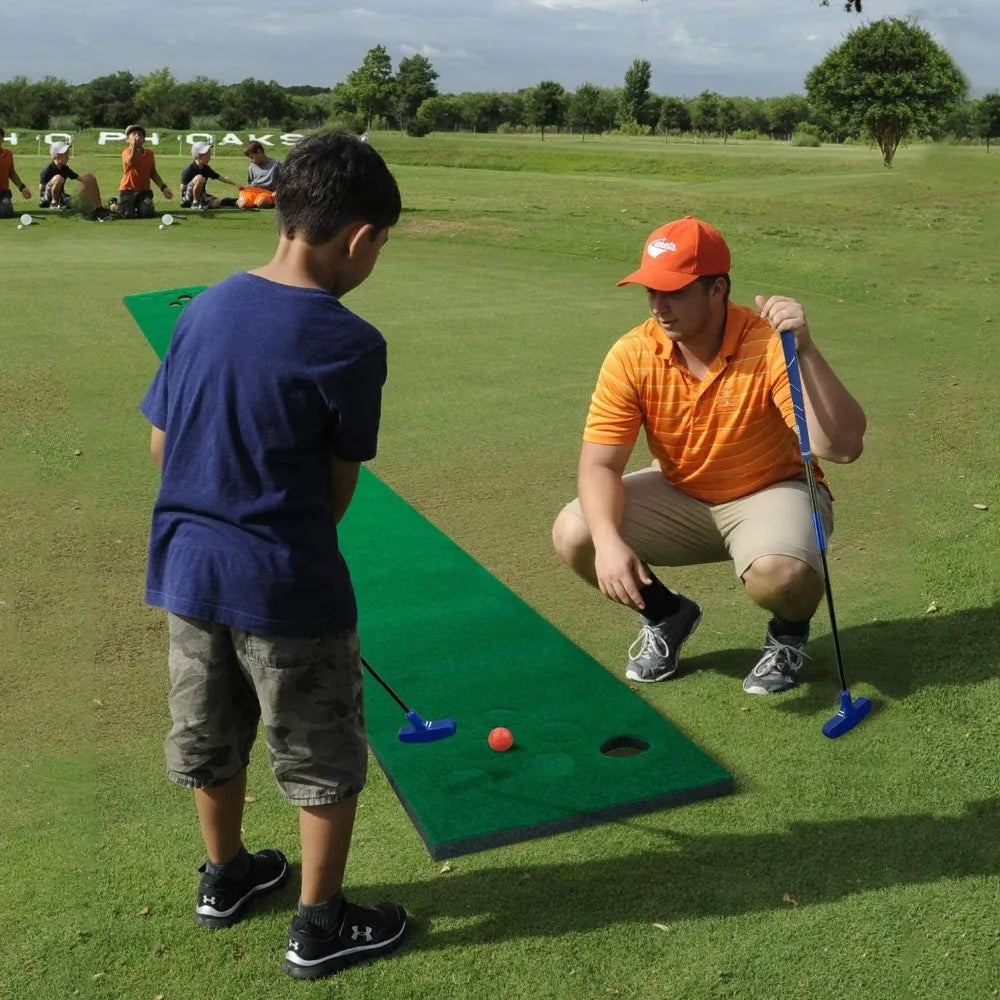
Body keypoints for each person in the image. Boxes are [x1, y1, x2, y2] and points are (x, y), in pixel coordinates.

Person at [140, 130, 406, 980]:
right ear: (359, 238)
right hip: (288, 587)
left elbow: (159, 445)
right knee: (322, 757)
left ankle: (225, 878)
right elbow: (334, 491)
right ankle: (318, 926)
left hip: (187, 573)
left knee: (212, 736)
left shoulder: (204, 307)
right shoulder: (351, 342)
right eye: (379, 248)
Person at [551, 216, 867, 696]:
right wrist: (609, 540)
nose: (659, 306)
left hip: (773, 490)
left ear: (717, 290)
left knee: (782, 576)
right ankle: (667, 614)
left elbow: (842, 447)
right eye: (651, 292)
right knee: (578, 533)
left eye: (674, 292)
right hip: (684, 492)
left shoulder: (767, 344)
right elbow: (600, 465)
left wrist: (804, 350)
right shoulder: (633, 353)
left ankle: (788, 632)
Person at [38, 142, 109, 219]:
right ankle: (54, 204)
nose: (68, 158)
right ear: (57, 156)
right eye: (66, 156)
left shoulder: (64, 168)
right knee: (58, 178)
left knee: (79, 201)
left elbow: (77, 177)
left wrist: (89, 181)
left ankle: (99, 209)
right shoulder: (48, 169)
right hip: (47, 198)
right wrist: (48, 197)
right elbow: (41, 188)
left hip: (61, 197)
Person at [114, 124, 172, 218]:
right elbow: (131, 162)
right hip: (128, 190)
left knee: (147, 213)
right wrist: (135, 148)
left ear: (144, 140)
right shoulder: (126, 152)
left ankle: (139, 207)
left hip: (144, 191)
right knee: (127, 214)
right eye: (134, 134)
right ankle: (113, 205)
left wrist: (163, 187)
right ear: (128, 139)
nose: (137, 136)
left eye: (140, 135)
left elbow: (153, 173)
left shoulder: (149, 153)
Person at [180, 142, 239, 210]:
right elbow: (183, 187)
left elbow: (221, 178)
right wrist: (186, 200)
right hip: (188, 198)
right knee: (200, 178)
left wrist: (237, 184)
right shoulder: (189, 170)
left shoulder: (206, 168)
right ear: (199, 155)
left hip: (201, 195)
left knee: (217, 202)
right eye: (207, 155)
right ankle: (195, 203)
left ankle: (203, 205)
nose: (209, 157)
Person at [237, 139, 281, 209]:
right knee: (242, 204)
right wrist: (245, 187)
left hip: (268, 193)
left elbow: (285, 182)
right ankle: (246, 201)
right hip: (254, 191)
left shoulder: (275, 164)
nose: (251, 161)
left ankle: (269, 202)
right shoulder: (251, 167)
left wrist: (277, 192)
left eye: (252, 157)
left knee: (261, 202)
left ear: (259, 152)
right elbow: (251, 184)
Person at [0, 125, 32, 218]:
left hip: (3, 193)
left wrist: (22, 187)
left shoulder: (8, 154)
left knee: (6, 212)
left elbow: (11, 172)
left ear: (2, 140)